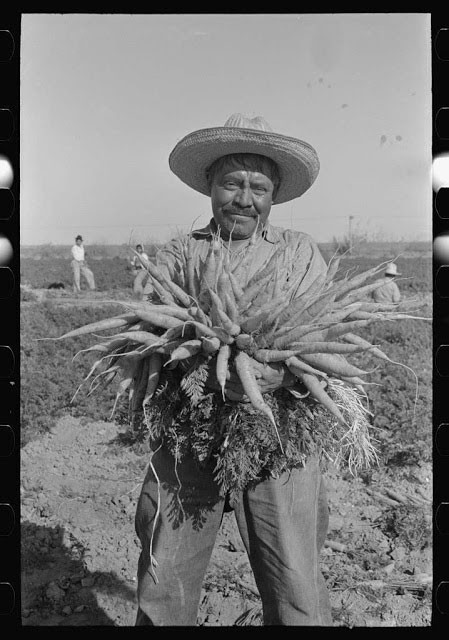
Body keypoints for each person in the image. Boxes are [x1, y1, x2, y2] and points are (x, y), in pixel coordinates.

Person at [135, 114, 333, 626]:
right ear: (210, 186)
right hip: (188, 433)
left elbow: (320, 338)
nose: (244, 199)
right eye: (232, 183)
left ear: (274, 195)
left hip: (279, 432)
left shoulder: (298, 252)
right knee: (164, 581)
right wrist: (191, 368)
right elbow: (154, 338)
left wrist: (284, 377)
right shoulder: (181, 252)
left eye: (258, 187)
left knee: (296, 586)